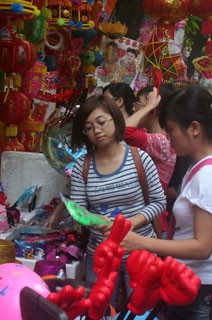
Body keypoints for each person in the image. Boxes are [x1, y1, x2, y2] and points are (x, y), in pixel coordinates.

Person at [121, 85, 212, 320]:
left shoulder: (207, 176)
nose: (167, 137)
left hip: (198, 281)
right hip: (205, 276)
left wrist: (142, 243)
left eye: (171, 130)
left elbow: (202, 247)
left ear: (194, 128)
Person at [47, 94, 166, 307]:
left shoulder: (140, 158)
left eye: (101, 123)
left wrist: (126, 226)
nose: (96, 131)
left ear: (115, 119)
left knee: (140, 312)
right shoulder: (82, 166)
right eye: (89, 128)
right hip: (100, 257)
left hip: (139, 253)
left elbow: (158, 202)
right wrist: (95, 221)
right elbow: (78, 209)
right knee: (99, 311)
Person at [124, 85, 177, 236]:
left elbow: (124, 131)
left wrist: (149, 106)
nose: (135, 109)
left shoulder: (161, 142)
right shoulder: (149, 134)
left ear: (154, 108)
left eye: (138, 103)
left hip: (149, 219)